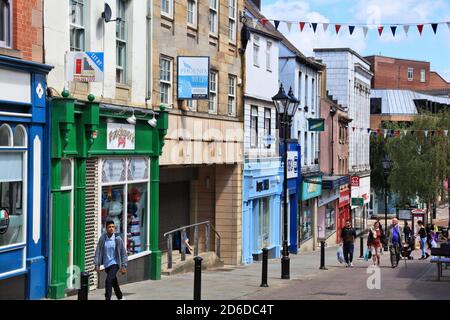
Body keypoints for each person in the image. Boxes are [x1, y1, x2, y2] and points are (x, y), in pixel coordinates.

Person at [94, 220, 128, 300]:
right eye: (109, 227)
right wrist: (96, 264)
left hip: (115, 264)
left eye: (113, 227)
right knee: (114, 282)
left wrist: (124, 266)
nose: (111, 228)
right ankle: (120, 297)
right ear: (106, 228)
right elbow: (98, 252)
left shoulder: (118, 239)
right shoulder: (103, 238)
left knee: (108, 281)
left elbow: (123, 253)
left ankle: (107, 298)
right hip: (106, 265)